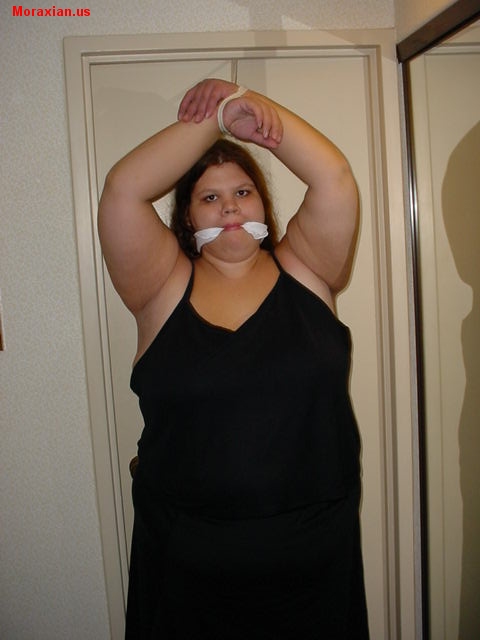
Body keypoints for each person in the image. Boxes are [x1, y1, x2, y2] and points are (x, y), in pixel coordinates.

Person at [98, 78, 369, 639]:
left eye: (243, 192)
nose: (229, 207)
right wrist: (217, 119)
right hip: (186, 568)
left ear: (263, 205)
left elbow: (334, 176)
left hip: (314, 561)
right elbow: (122, 190)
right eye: (209, 197)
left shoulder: (309, 269)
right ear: (187, 219)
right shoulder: (159, 288)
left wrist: (252, 109)